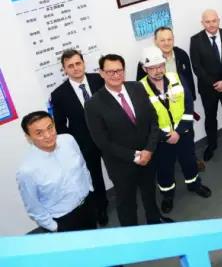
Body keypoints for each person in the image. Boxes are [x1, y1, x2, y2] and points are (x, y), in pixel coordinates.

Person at [85, 54, 172, 226]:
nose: (115, 75)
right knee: (127, 204)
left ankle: (155, 221)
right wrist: (135, 156)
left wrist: (149, 150)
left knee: (149, 193)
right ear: (101, 73)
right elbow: (102, 141)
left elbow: (153, 121)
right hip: (121, 165)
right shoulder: (93, 104)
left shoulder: (137, 87)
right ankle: (132, 235)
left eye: (119, 70)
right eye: (110, 71)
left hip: (148, 156)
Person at [139, 46, 211, 214]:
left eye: (160, 66)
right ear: (144, 68)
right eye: (152, 68)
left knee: (189, 161)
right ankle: (168, 195)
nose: (158, 71)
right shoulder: (139, 89)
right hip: (160, 140)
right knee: (164, 168)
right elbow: (145, 120)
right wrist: (165, 135)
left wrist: (178, 132)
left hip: (183, 133)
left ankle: (194, 184)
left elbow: (188, 106)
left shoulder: (176, 77)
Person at [50, 49, 108, 225]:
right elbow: (60, 125)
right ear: (64, 69)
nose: (75, 68)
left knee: (119, 169)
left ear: (83, 63)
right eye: (70, 66)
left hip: (109, 136)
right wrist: (75, 142)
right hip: (85, 144)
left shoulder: (99, 79)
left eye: (78, 63)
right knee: (95, 177)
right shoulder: (58, 95)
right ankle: (102, 208)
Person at [136, 26, 204, 171]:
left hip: (182, 114)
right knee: (166, 164)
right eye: (162, 40)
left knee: (188, 151)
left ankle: (192, 165)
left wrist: (190, 101)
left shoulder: (181, 54)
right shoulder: (146, 61)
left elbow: (188, 79)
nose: (166, 43)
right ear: (156, 41)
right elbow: (142, 92)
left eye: (169, 39)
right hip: (162, 127)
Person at [16, 111, 97, 232]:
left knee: (94, 239)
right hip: (64, 219)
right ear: (29, 137)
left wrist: (90, 189)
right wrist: (54, 227)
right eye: (39, 133)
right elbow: (33, 207)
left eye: (50, 128)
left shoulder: (68, 140)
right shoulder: (27, 171)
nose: (48, 135)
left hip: (88, 204)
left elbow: (82, 166)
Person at [190, 9, 222, 161]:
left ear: (219, 20)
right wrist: (214, 84)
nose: (211, 24)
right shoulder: (195, 40)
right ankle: (211, 145)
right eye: (207, 21)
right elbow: (197, 67)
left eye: (214, 21)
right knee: (210, 117)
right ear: (202, 23)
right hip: (208, 88)